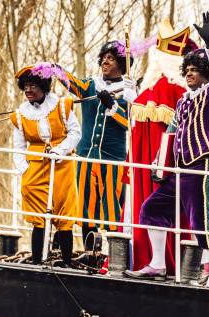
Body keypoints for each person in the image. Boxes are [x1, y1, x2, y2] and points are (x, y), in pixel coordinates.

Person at [125, 11, 209, 288]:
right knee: (151, 208)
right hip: (178, 170)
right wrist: (159, 164)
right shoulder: (183, 102)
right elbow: (171, 134)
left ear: (205, 74)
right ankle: (157, 264)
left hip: (203, 167)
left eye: (194, 70)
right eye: (186, 70)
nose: (188, 74)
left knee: (205, 223)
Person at [124, 20, 197, 275]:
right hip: (146, 163)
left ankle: (165, 262)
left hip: (164, 166)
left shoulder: (175, 90)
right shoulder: (153, 86)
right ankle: (153, 261)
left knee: (162, 209)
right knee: (148, 209)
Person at [58, 41, 137, 249]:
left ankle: (112, 258)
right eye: (103, 57)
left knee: (112, 209)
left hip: (113, 160)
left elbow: (130, 124)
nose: (104, 61)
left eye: (110, 58)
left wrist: (112, 105)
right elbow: (72, 83)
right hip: (86, 157)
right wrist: (54, 69)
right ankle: (90, 253)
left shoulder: (129, 92)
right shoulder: (91, 86)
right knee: (86, 209)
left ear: (121, 63)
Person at [11, 63, 81, 265]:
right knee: (36, 210)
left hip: (61, 163)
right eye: (25, 86)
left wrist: (61, 150)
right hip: (35, 166)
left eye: (33, 85)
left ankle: (67, 260)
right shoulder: (20, 114)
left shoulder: (61, 105)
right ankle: (37, 259)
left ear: (43, 86)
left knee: (64, 207)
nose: (28, 90)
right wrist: (24, 169)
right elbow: (18, 146)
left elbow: (75, 133)